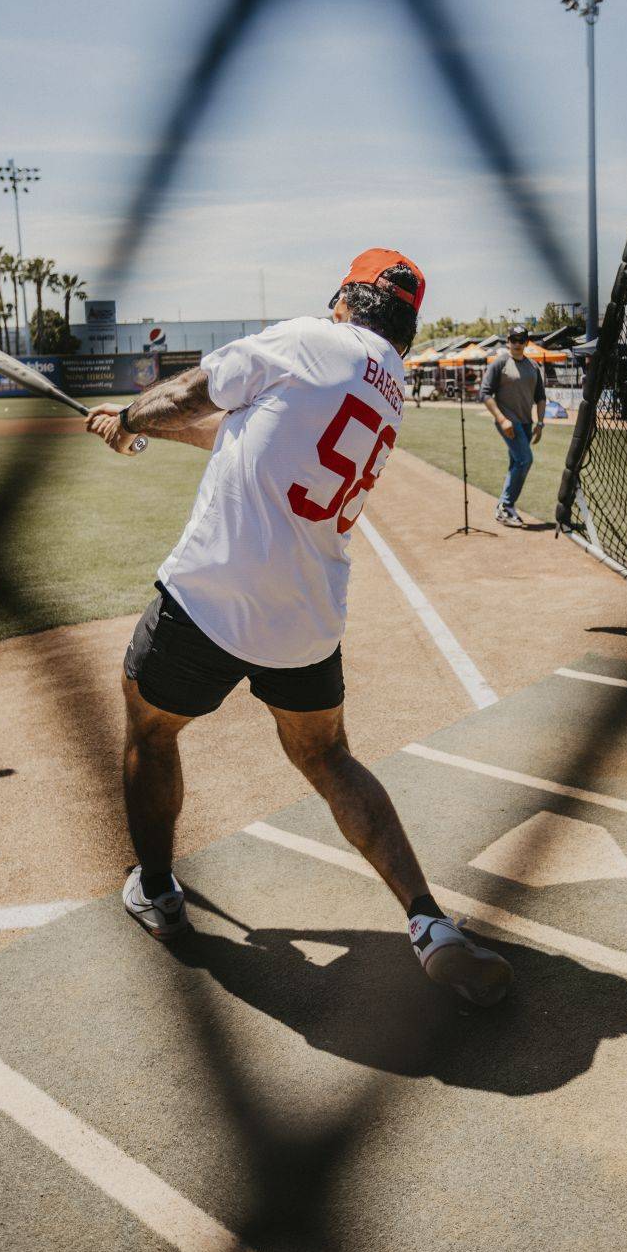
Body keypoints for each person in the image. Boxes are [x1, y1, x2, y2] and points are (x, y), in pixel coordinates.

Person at [85, 249, 512, 1009]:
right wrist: (141, 430)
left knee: (150, 729)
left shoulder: (312, 338)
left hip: (213, 596)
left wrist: (127, 417)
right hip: (308, 616)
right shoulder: (389, 387)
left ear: (343, 299)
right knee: (329, 758)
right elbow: (240, 431)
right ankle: (429, 925)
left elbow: (190, 391)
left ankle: (156, 889)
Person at [478, 324, 545, 527]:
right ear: (508, 341)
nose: (517, 344)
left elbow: (541, 398)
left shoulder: (533, 366)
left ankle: (503, 507)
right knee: (525, 460)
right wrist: (501, 419)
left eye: (521, 340)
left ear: (526, 342)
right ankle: (506, 506)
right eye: (513, 340)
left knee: (516, 463)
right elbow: (485, 393)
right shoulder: (500, 363)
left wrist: (540, 423)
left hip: (526, 422)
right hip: (508, 421)